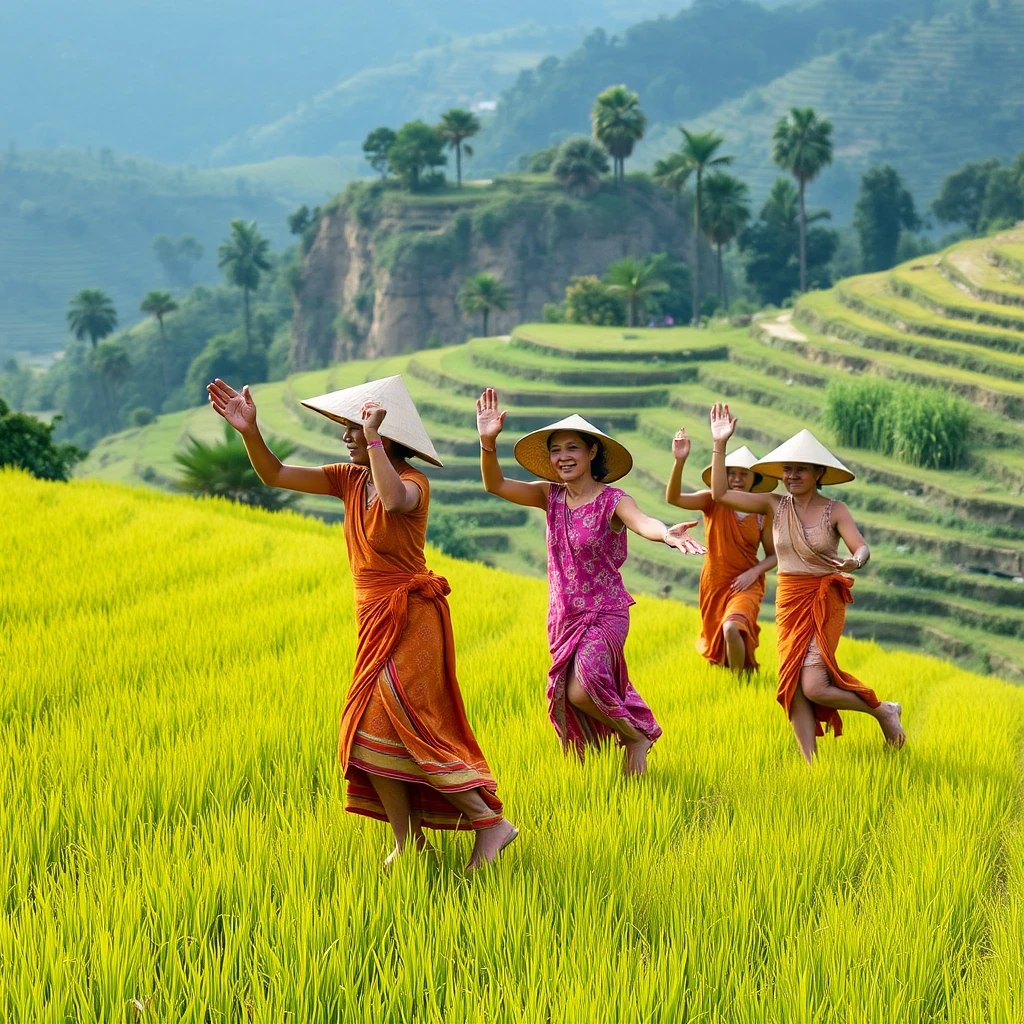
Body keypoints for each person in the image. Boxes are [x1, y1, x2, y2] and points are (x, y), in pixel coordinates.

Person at [207, 375, 516, 870]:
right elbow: (277, 475)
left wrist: (372, 438)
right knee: (369, 729)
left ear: (385, 435)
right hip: (373, 619)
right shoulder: (348, 480)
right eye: (348, 429)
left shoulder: (413, 484)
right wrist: (250, 432)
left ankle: (489, 822)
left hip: (412, 619)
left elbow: (394, 503)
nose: (346, 436)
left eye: (354, 428)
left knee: (410, 721)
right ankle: (408, 840)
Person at [476, 388, 706, 775]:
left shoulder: (612, 500)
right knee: (569, 696)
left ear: (592, 452)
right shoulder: (548, 496)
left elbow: (643, 522)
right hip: (564, 616)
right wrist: (487, 443)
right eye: (556, 450)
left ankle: (635, 735)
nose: (563, 457)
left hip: (605, 613)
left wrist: (666, 533)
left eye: (572, 448)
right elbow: (496, 485)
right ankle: (617, 752)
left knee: (583, 687)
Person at [708, 405, 905, 763]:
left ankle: (883, 710)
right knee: (792, 686)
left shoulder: (835, 510)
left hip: (823, 600)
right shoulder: (773, 504)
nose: (791, 475)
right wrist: (720, 444)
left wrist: (854, 560)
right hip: (789, 600)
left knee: (814, 685)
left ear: (818, 473)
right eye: (787, 469)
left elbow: (861, 546)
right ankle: (810, 766)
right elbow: (720, 493)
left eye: (800, 469)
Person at [666, 428, 778, 672]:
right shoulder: (712, 501)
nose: (737, 479)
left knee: (732, 627)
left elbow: (773, 556)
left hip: (746, 583)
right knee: (718, 634)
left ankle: (738, 685)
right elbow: (673, 498)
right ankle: (735, 679)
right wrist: (679, 461)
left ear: (754, 480)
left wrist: (753, 573)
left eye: (743, 474)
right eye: (731, 473)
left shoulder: (763, 512)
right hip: (714, 582)